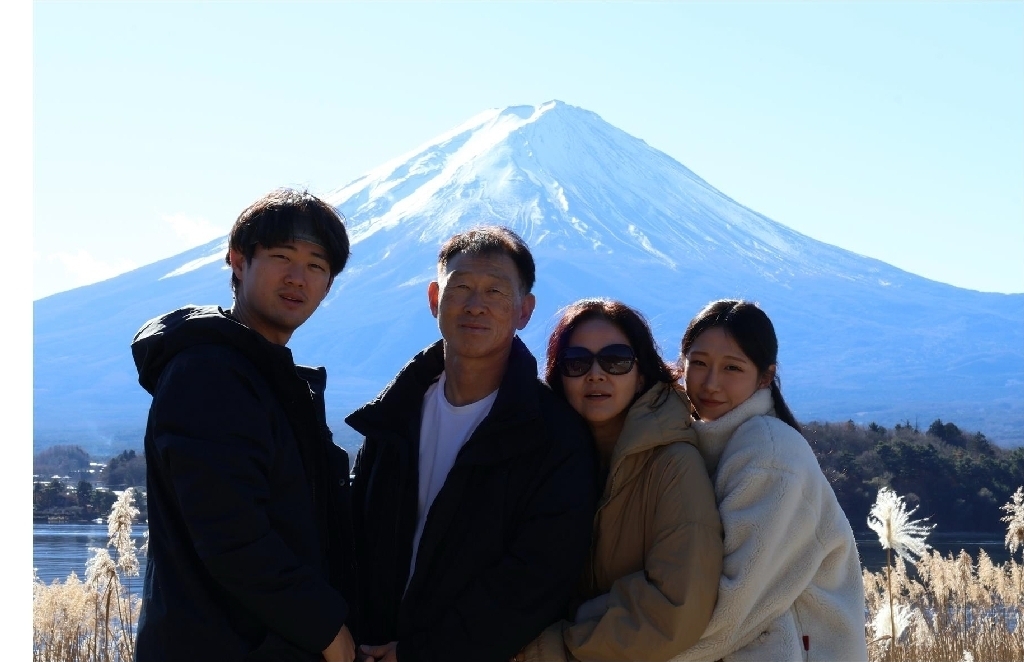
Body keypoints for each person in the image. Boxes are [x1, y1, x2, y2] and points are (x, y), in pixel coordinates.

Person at [346, 226, 598, 662]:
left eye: (496, 291)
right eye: (460, 287)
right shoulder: (394, 413)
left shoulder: (554, 436)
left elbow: (535, 578)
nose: (475, 305)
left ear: (524, 310)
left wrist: (421, 654)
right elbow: (354, 540)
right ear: (434, 299)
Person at [131, 188, 359, 661]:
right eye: (282, 257)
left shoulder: (267, 377)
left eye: (316, 265)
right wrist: (327, 631)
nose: (297, 277)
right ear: (238, 261)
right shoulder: (209, 373)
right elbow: (231, 534)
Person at [517, 298, 723, 662]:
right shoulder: (543, 463)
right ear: (558, 376)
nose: (596, 374)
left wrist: (556, 648)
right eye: (577, 362)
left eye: (615, 360)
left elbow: (675, 608)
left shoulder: (673, 465)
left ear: (641, 373)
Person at [672, 299, 868, 662]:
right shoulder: (698, 443)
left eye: (732, 368)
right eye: (699, 363)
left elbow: (733, 610)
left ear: (765, 376)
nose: (711, 383)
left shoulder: (769, 453)